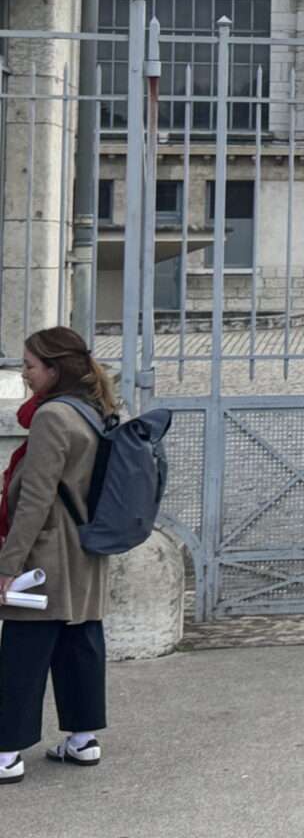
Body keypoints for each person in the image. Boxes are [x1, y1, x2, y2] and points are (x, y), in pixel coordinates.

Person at [0, 328, 115, 780]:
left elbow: (35, 499)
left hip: (48, 553)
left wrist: (8, 566)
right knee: (81, 642)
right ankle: (83, 740)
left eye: (29, 365)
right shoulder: (96, 409)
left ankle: (6, 752)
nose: (24, 373)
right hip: (88, 548)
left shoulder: (52, 417)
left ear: (54, 369)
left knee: (23, 653)